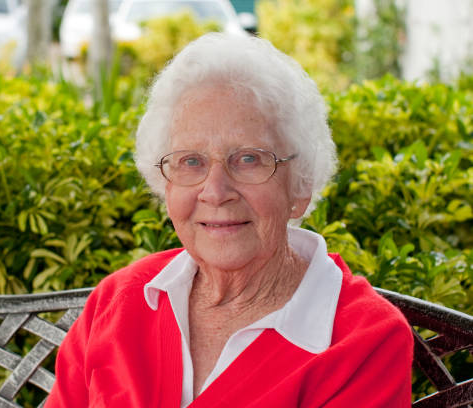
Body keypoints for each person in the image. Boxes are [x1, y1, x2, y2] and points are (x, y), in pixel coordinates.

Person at [45, 33, 413, 407]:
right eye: (191, 162)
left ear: (300, 185)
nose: (216, 191)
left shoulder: (364, 341)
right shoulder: (119, 302)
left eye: (249, 159)